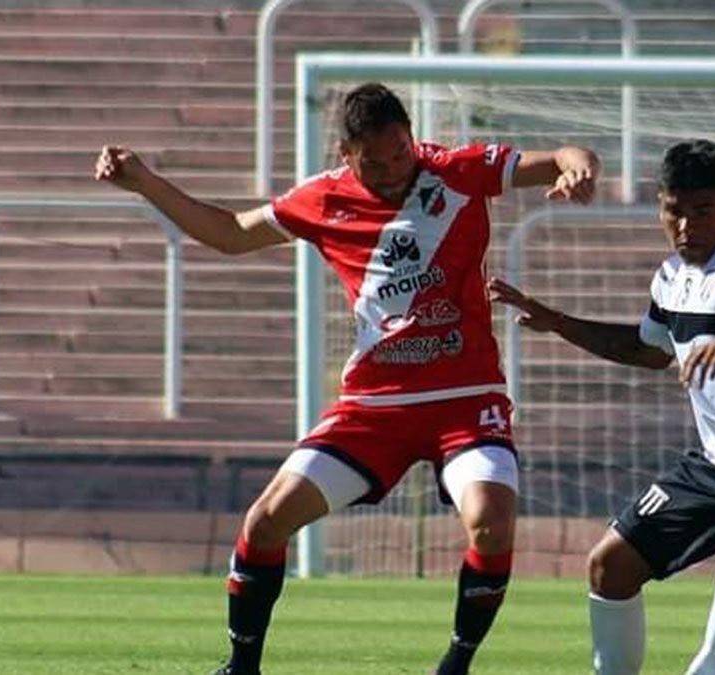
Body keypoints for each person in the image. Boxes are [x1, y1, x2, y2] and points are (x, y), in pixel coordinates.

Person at [94, 82, 600, 675]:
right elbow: (231, 233)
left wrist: (578, 170)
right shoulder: (322, 198)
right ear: (345, 153)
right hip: (372, 408)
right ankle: (241, 667)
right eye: (375, 162)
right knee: (266, 520)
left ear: (411, 139)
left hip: (464, 401)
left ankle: (457, 663)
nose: (392, 171)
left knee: (490, 519)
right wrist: (146, 183)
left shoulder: (458, 170)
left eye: (400, 154)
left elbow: (566, 155)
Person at [490, 139, 715, 675]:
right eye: (673, 211)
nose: (686, 226)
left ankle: (710, 666)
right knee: (609, 565)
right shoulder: (671, 277)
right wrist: (559, 322)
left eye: (702, 211)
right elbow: (647, 350)